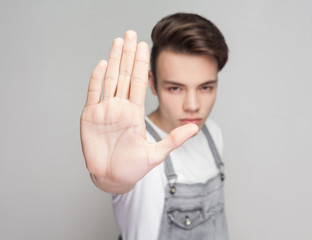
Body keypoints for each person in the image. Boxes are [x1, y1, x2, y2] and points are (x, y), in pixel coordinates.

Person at [80, 12, 229, 240]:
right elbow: (118, 181)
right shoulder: (136, 148)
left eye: (205, 87)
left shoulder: (213, 134)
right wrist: (109, 178)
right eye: (175, 88)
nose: (193, 105)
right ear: (153, 83)